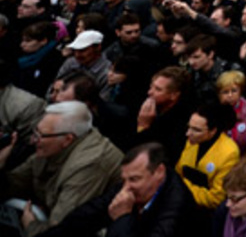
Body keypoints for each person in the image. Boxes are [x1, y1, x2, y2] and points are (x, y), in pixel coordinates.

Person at [0, 101, 124, 236]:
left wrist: (30, 226)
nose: (33, 140)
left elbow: (60, 230)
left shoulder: (87, 164)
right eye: (35, 131)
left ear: (67, 139)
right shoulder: (50, 145)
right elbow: (14, 182)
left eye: (40, 135)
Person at [37, 142, 198, 237]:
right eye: (124, 180)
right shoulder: (131, 185)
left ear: (159, 172)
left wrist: (123, 218)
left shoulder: (178, 208)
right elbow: (88, 214)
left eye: (134, 179)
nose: (125, 188)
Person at [175, 102, 240, 210]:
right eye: (189, 127)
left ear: (213, 131)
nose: (188, 133)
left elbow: (216, 199)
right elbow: (178, 172)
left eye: (196, 130)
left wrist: (181, 186)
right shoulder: (192, 141)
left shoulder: (229, 153)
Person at [217, 70, 246, 155]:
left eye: (234, 91)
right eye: (225, 92)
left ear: (240, 91)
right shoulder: (213, 112)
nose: (230, 95)